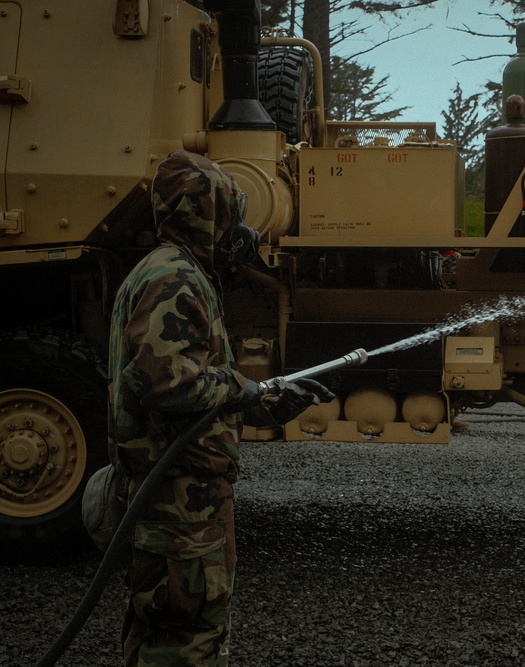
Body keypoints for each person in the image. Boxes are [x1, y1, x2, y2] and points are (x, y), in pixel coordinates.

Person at [107, 150, 332, 666]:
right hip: (178, 504)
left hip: (177, 497)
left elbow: (191, 386)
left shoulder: (173, 272)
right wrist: (242, 390)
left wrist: (268, 404)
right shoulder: (175, 279)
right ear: (205, 215)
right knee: (185, 639)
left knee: (163, 630)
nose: (241, 232)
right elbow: (165, 384)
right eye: (231, 214)